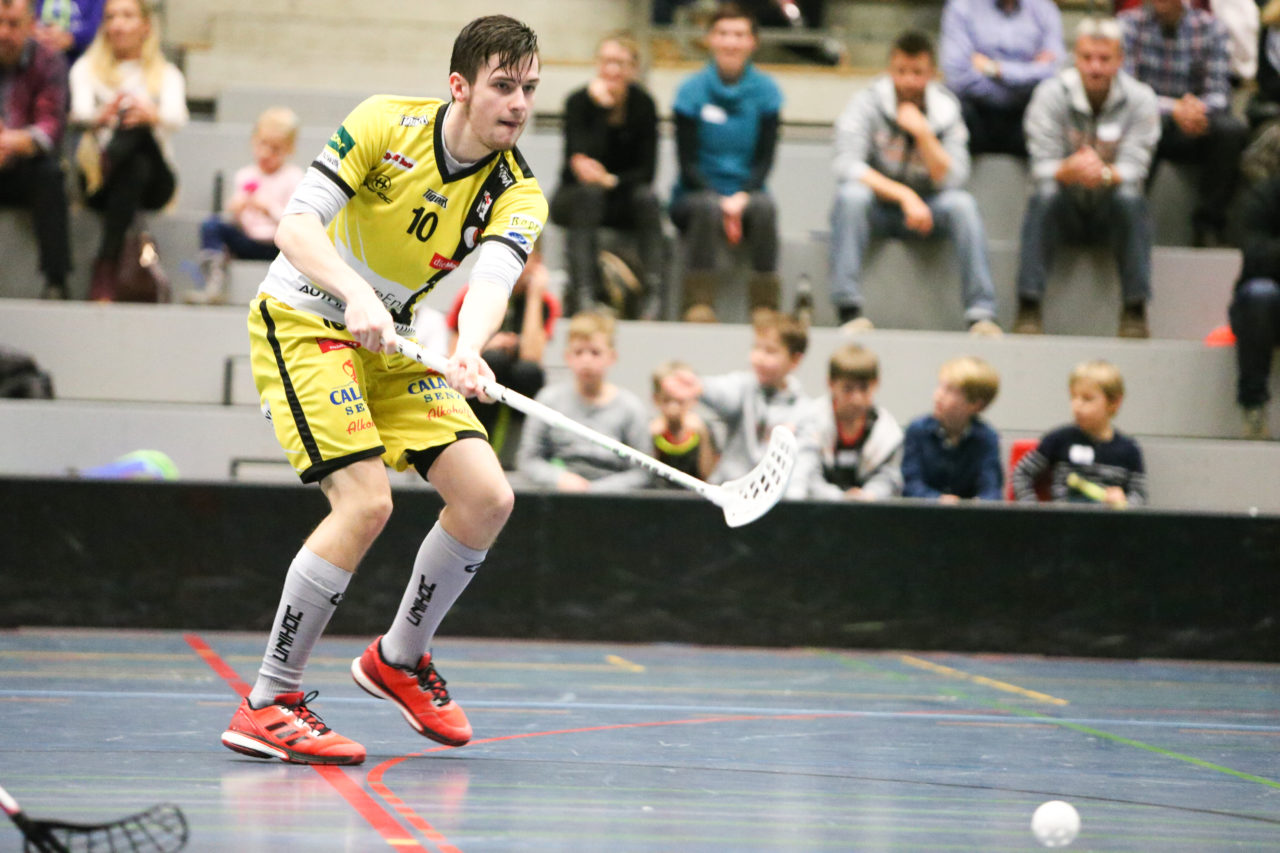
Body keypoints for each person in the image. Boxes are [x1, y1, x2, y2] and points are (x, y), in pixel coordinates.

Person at [221, 15, 547, 767]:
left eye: (529, 87)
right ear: (460, 87)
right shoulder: (383, 123)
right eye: (504, 85)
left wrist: (468, 349)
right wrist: (353, 292)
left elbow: (494, 278)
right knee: (367, 502)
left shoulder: (518, 191)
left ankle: (399, 656)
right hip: (305, 318)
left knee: (487, 497)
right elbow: (296, 227)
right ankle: (269, 701)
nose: (519, 103)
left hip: (391, 343)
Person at [830, 30, 1002, 336]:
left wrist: (924, 133)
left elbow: (954, 177)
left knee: (963, 205)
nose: (909, 81)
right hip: (879, 207)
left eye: (918, 73)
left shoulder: (947, 110)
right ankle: (848, 310)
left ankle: (981, 315)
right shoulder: (866, 102)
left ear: (933, 74)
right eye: (901, 72)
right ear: (889, 71)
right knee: (850, 197)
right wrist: (903, 196)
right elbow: (846, 164)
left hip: (930, 208)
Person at [1015, 16, 1161, 338]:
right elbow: (1040, 163)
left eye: (1104, 59)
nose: (1095, 67)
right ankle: (1028, 305)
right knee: (1045, 193)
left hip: (1112, 208)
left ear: (1120, 60)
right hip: (1064, 206)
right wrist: (1068, 170)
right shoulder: (1050, 94)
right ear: (1075, 59)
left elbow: (1137, 167)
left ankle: (1135, 309)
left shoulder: (1141, 98)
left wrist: (1105, 173)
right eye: (1087, 58)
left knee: (1131, 198)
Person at [670, 3, 783, 322]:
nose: (731, 42)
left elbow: (764, 160)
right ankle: (699, 306)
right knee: (706, 207)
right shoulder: (690, 91)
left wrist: (742, 197)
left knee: (765, 208)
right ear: (710, 39)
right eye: (723, 34)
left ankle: (764, 310)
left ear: (753, 42)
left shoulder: (768, 92)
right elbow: (687, 163)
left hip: (748, 195)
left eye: (739, 35)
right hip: (695, 196)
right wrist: (721, 201)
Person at [68, 0, 187, 301]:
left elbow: (177, 117)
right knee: (134, 167)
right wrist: (102, 117)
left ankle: (105, 266)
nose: (118, 24)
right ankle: (106, 263)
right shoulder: (86, 68)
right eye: (111, 17)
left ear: (146, 25)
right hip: (97, 183)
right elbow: (79, 114)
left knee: (136, 127)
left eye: (127, 16)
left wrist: (151, 115)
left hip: (155, 184)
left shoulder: (167, 73)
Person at [549, 32, 663, 319]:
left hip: (621, 194)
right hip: (576, 195)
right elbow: (578, 164)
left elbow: (647, 171)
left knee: (649, 200)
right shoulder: (578, 102)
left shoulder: (644, 106)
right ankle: (584, 293)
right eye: (607, 61)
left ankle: (653, 293)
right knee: (589, 195)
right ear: (597, 64)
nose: (612, 70)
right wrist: (601, 111)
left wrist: (612, 180)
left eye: (621, 63)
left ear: (633, 69)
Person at [1119, 0, 1248, 247]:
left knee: (1231, 130)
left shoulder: (1211, 28)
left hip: (1194, 125)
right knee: (1139, 122)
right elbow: (1126, 91)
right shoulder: (1129, 24)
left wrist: (1194, 110)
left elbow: (1220, 93)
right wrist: (1174, 108)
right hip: (1148, 122)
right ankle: (1128, 222)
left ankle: (1209, 226)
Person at [660, 309, 809, 490]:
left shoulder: (805, 411)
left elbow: (801, 471)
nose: (758, 358)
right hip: (727, 495)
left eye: (770, 351)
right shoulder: (743, 386)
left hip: (774, 503)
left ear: (795, 360)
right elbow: (724, 393)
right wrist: (700, 387)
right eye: (756, 347)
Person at [446, 238, 560, 467]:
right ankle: (475, 448)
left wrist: (535, 295)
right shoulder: (472, 293)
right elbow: (454, 354)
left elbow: (533, 357)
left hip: (520, 383)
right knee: (493, 360)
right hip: (481, 379)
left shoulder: (545, 302)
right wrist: (488, 344)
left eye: (525, 256)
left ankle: (518, 456)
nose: (517, 263)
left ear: (537, 262)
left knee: (528, 372)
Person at [515, 311, 651, 491]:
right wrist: (559, 478)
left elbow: (643, 472)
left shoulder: (631, 408)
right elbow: (527, 460)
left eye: (595, 353)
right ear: (567, 357)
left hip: (613, 501)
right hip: (558, 495)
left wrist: (596, 490)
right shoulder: (548, 400)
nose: (586, 360)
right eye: (578, 352)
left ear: (612, 357)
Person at [184, 106, 303, 304]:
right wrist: (237, 210)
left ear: (289, 149)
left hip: (278, 243)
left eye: (275, 149)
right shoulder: (245, 175)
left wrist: (269, 209)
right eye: (262, 145)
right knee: (212, 225)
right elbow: (238, 221)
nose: (266, 153)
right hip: (249, 238)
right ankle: (214, 281)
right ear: (253, 142)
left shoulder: (293, 177)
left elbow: (296, 223)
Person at [0, 0, 71, 300]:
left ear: (31, 25)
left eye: (13, 24)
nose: (3, 33)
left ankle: (56, 282)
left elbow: (50, 129)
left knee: (50, 175)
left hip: (23, 165)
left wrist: (8, 142)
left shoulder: (50, 61)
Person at [1011, 359, 1146, 506]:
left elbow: (1139, 496)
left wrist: (1124, 503)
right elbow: (1021, 473)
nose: (1077, 405)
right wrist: (1033, 511)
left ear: (1114, 403)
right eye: (1073, 397)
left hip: (1109, 527)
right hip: (1063, 525)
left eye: (1087, 399)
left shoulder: (1129, 450)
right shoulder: (1059, 439)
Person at [939, 0, 1064, 156]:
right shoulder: (961, 6)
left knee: (1053, 104)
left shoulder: (1044, 9)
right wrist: (1029, 71)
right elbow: (958, 75)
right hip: (975, 111)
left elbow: (1053, 72)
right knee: (948, 107)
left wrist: (995, 69)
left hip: (1028, 110)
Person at [795, 343, 904, 501]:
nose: (856, 398)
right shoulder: (809, 423)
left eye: (864, 388)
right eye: (848, 389)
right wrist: (840, 498)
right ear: (831, 384)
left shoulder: (888, 432)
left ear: (876, 384)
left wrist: (869, 496)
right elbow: (805, 475)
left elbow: (889, 478)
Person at [901, 355, 1004, 502]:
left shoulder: (987, 438)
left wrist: (974, 506)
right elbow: (911, 486)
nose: (938, 396)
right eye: (940, 386)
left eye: (949, 390)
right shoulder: (917, 430)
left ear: (975, 404)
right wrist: (938, 500)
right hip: (923, 516)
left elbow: (991, 490)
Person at [1228, 174, 1280, 439]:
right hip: (1265, 308)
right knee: (1261, 293)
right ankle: (1254, 406)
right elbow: (1255, 253)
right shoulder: (1264, 194)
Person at [649, 360, 717, 485]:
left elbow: (709, 476)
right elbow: (643, 476)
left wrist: (704, 437)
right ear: (656, 399)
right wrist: (649, 438)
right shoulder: (649, 429)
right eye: (667, 400)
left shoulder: (704, 429)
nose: (673, 407)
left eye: (680, 400)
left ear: (693, 398)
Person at [32, 0, 101, 65]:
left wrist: (71, 38)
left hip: (78, 62)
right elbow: (30, 18)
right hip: (39, 63)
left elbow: (97, 28)